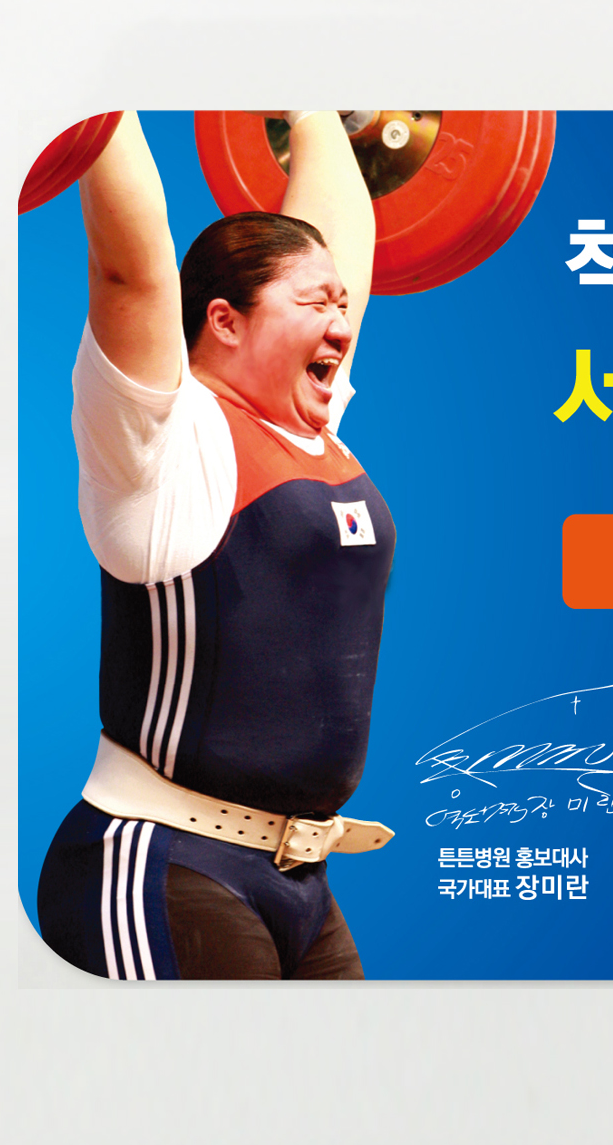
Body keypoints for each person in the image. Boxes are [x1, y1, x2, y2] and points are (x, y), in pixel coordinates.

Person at [33, 110, 395, 980]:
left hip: (299, 880)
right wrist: (96, 99)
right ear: (225, 322)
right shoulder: (160, 443)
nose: (340, 317)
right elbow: (132, 269)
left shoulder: (307, 423)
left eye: (340, 304)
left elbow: (342, 242)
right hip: (159, 862)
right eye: (313, 303)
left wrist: (311, 111)